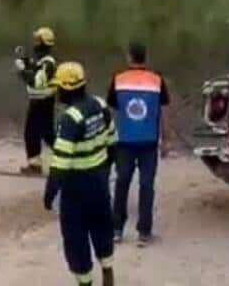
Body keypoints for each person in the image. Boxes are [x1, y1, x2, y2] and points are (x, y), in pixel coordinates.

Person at [43, 62, 118, 286]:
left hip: (76, 190)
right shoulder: (100, 105)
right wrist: (103, 170)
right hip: (99, 183)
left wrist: (49, 194)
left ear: (67, 88)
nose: (56, 93)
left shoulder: (70, 119)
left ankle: (85, 282)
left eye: (58, 88)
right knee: (103, 227)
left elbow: (60, 163)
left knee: (76, 240)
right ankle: (107, 270)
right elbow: (113, 142)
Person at [108, 41, 169, 246]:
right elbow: (163, 112)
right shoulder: (157, 80)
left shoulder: (118, 80)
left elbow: (114, 109)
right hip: (149, 142)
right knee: (146, 186)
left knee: (122, 183)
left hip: (124, 140)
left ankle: (116, 229)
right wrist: (166, 139)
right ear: (146, 57)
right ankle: (144, 232)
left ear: (129, 57)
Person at [15, 27, 58, 174]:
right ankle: (35, 164)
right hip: (36, 101)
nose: (34, 43)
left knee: (47, 134)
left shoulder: (48, 63)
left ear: (43, 43)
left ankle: (69, 159)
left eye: (37, 40)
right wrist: (24, 61)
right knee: (31, 132)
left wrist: (22, 70)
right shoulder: (40, 60)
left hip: (44, 102)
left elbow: (37, 81)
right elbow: (33, 67)